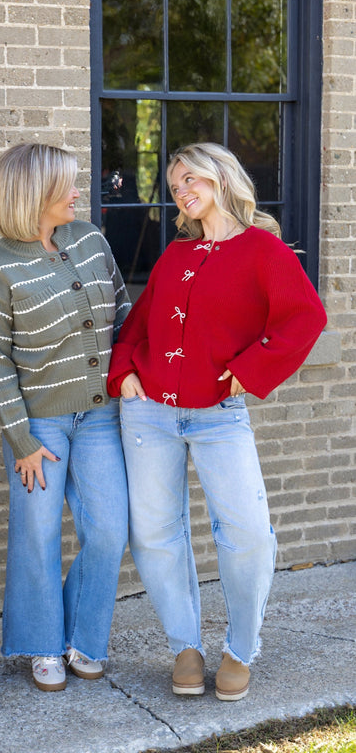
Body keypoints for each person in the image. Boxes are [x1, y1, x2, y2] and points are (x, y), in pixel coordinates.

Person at [107, 142, 327, 701]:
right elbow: (139, 323)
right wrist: (125, 372)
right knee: (156, 532)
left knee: (248, 533)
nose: (181, 189)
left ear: (220, 177)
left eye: (190, 178)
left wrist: (251, 370)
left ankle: (239, 648)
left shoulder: (262, 250)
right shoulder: (176, 255)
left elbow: (306, 316)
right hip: (149, 412)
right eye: (175, 183)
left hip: (218, 416)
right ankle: (184, 645)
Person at [0, 143, 130, 692]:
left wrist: (131, 372)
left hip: (100, 418)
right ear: (33, 194)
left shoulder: (88, 238)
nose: (77, 192)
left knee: (109, 530)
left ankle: (83, 638)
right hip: (38, 428)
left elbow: (123, 311)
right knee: (37, 537)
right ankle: (42, 645)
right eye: (65, 184)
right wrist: (20, 440)